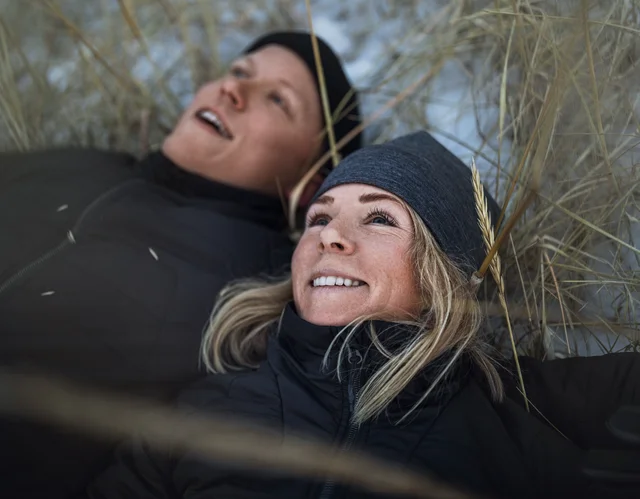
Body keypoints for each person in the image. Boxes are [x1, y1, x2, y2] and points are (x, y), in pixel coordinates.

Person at [84, 131, 640, 499]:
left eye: (379, 219)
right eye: (319, 218)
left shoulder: (524, 407)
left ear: (445, 275)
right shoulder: (199, 412)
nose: (330, 236)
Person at [0, 31, 362, 499]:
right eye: (239, 71)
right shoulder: (81, 166)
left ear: (310, 185)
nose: (232, 89)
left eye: (277, 99)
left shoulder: (262, 295)